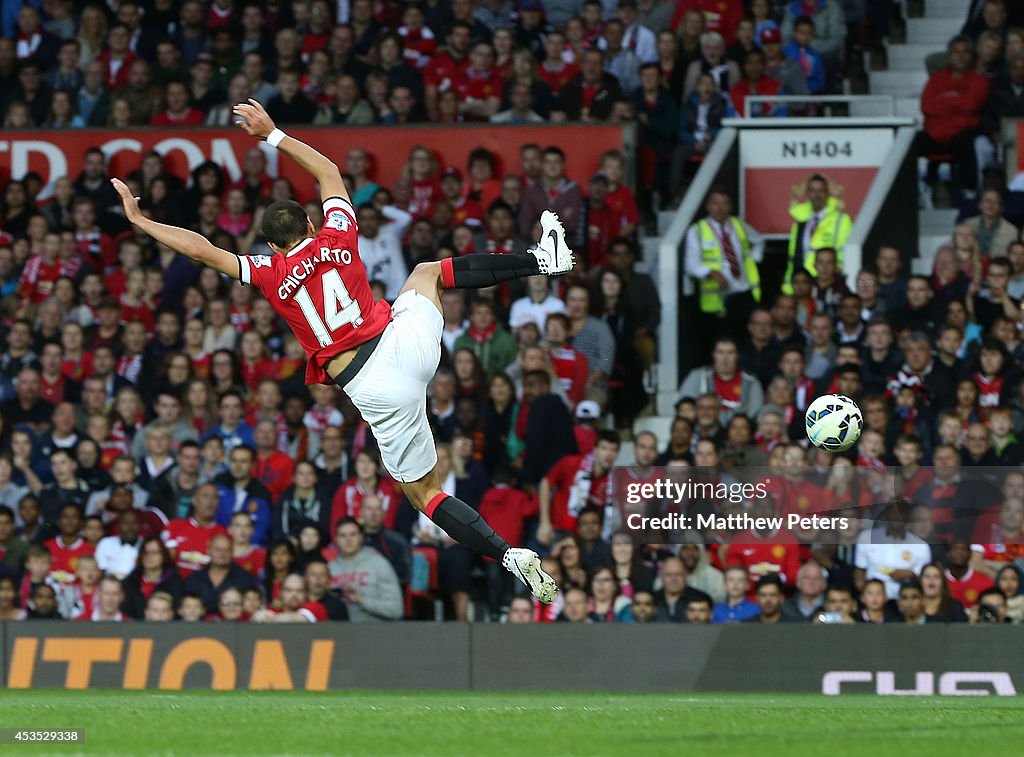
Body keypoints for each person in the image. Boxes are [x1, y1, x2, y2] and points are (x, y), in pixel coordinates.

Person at [111, 99, 565, 604]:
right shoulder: (338, 235)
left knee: (424, 494)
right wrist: (272, 134)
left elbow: (202, 248)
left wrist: (142, 220)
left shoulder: (269, 275)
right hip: (403, 344)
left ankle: (507, 555)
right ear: (308, 226)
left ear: (273, 248)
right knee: (427, 272)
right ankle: (541, 259)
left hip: (370, 387)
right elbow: (327, 170)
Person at [684, 188, 765, 349]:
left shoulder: (738, 224)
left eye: (724, 203)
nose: (720, 208)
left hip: (743, 292)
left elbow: (759, 240)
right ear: (708, 206)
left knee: (746, 341)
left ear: (730, 206)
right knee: (721, 344)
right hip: (718, 299)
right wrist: (712, 273)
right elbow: (690, 265)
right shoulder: (698, 230)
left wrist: (754, 258)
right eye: (715, 203)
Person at [784, 174, 852, 290]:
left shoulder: (842, 220)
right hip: (801, 284)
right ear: (807, 193)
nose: (817, 195)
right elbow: (795, 254)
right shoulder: (801, 219)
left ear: (827, 193)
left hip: (828, 283)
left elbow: (849, 252)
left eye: (821, 191)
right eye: (812, 190)